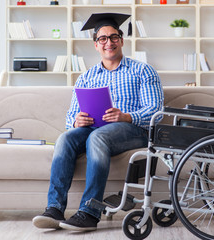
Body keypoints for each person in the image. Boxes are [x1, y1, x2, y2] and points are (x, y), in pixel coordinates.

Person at [32, 13, 164, 232]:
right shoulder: (86, 77)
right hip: (95, 130)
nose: (108, 42)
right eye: (102, 39)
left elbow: (156, 111)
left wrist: (126, 116)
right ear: (96, 45)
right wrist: (77, 121)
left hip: (134, 130)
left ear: (121, 40)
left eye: (113, 37)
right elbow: (70, 117)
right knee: (66, 138)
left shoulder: (143, 70)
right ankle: (54, 208)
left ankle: (89, 212)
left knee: (97, 136)